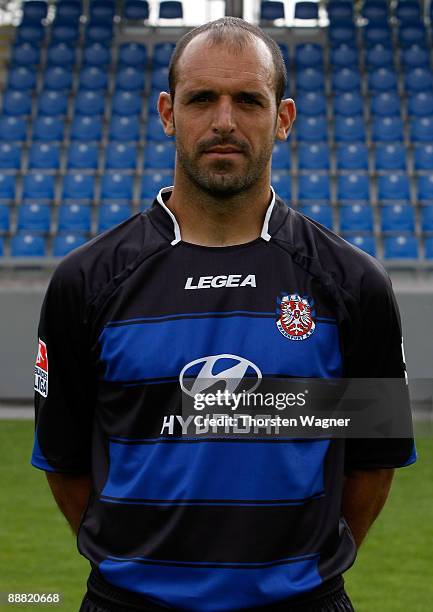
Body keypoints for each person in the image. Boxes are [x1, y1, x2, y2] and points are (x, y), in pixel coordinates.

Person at [31, 17, 416, 612]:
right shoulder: (85, 281)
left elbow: (372, 462)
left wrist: (295, 578)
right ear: (168, 112)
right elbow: (64, 462)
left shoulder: (354, 282)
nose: (224, 122)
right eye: (202, 98)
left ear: (282, 118)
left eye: (249, 101)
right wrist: (137, 567)